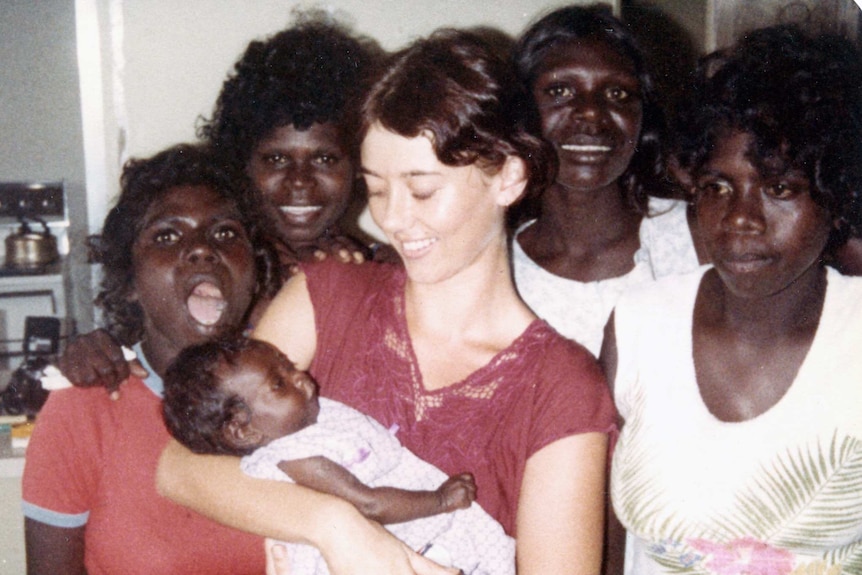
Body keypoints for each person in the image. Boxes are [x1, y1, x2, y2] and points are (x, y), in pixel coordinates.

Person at [156, 29, 616, 575]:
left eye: (422, 189)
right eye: (377, 188)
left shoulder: (560, 388)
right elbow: (180, 468)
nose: (392, 218)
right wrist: (342, 529)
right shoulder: (326, 297)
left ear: (509, 176)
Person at [601, 24, 862, 575]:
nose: (740, 219)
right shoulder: (640, 327)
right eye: (718, 187)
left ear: (838, 197)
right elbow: (604, 540)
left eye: (780, 189)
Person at [21, 144, 283, 574]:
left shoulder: (287, 394)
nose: (202, 250)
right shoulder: (84, 410)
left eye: (225, 233)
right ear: (129, 282)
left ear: (253, 271)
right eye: (167, 236)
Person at [162, 335, 516, 574]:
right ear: (245, 430)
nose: (299, 376)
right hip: (393, 542)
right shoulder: (296, 456)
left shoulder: (312, 417)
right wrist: (440, 500)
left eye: (287, 365)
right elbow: (368, 505)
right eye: (279, 383)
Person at [511, 4, 703, 357]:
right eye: (560, 91)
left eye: (617, 94)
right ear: (521, 111)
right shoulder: (500, 272)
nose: (591, 112)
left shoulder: (697, 238)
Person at [200, 13, 386, 266]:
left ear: (359, 165)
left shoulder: (386, 269)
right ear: (243, 162)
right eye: (277, 159)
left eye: (324, 158)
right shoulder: (215, 268)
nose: (300, 181)